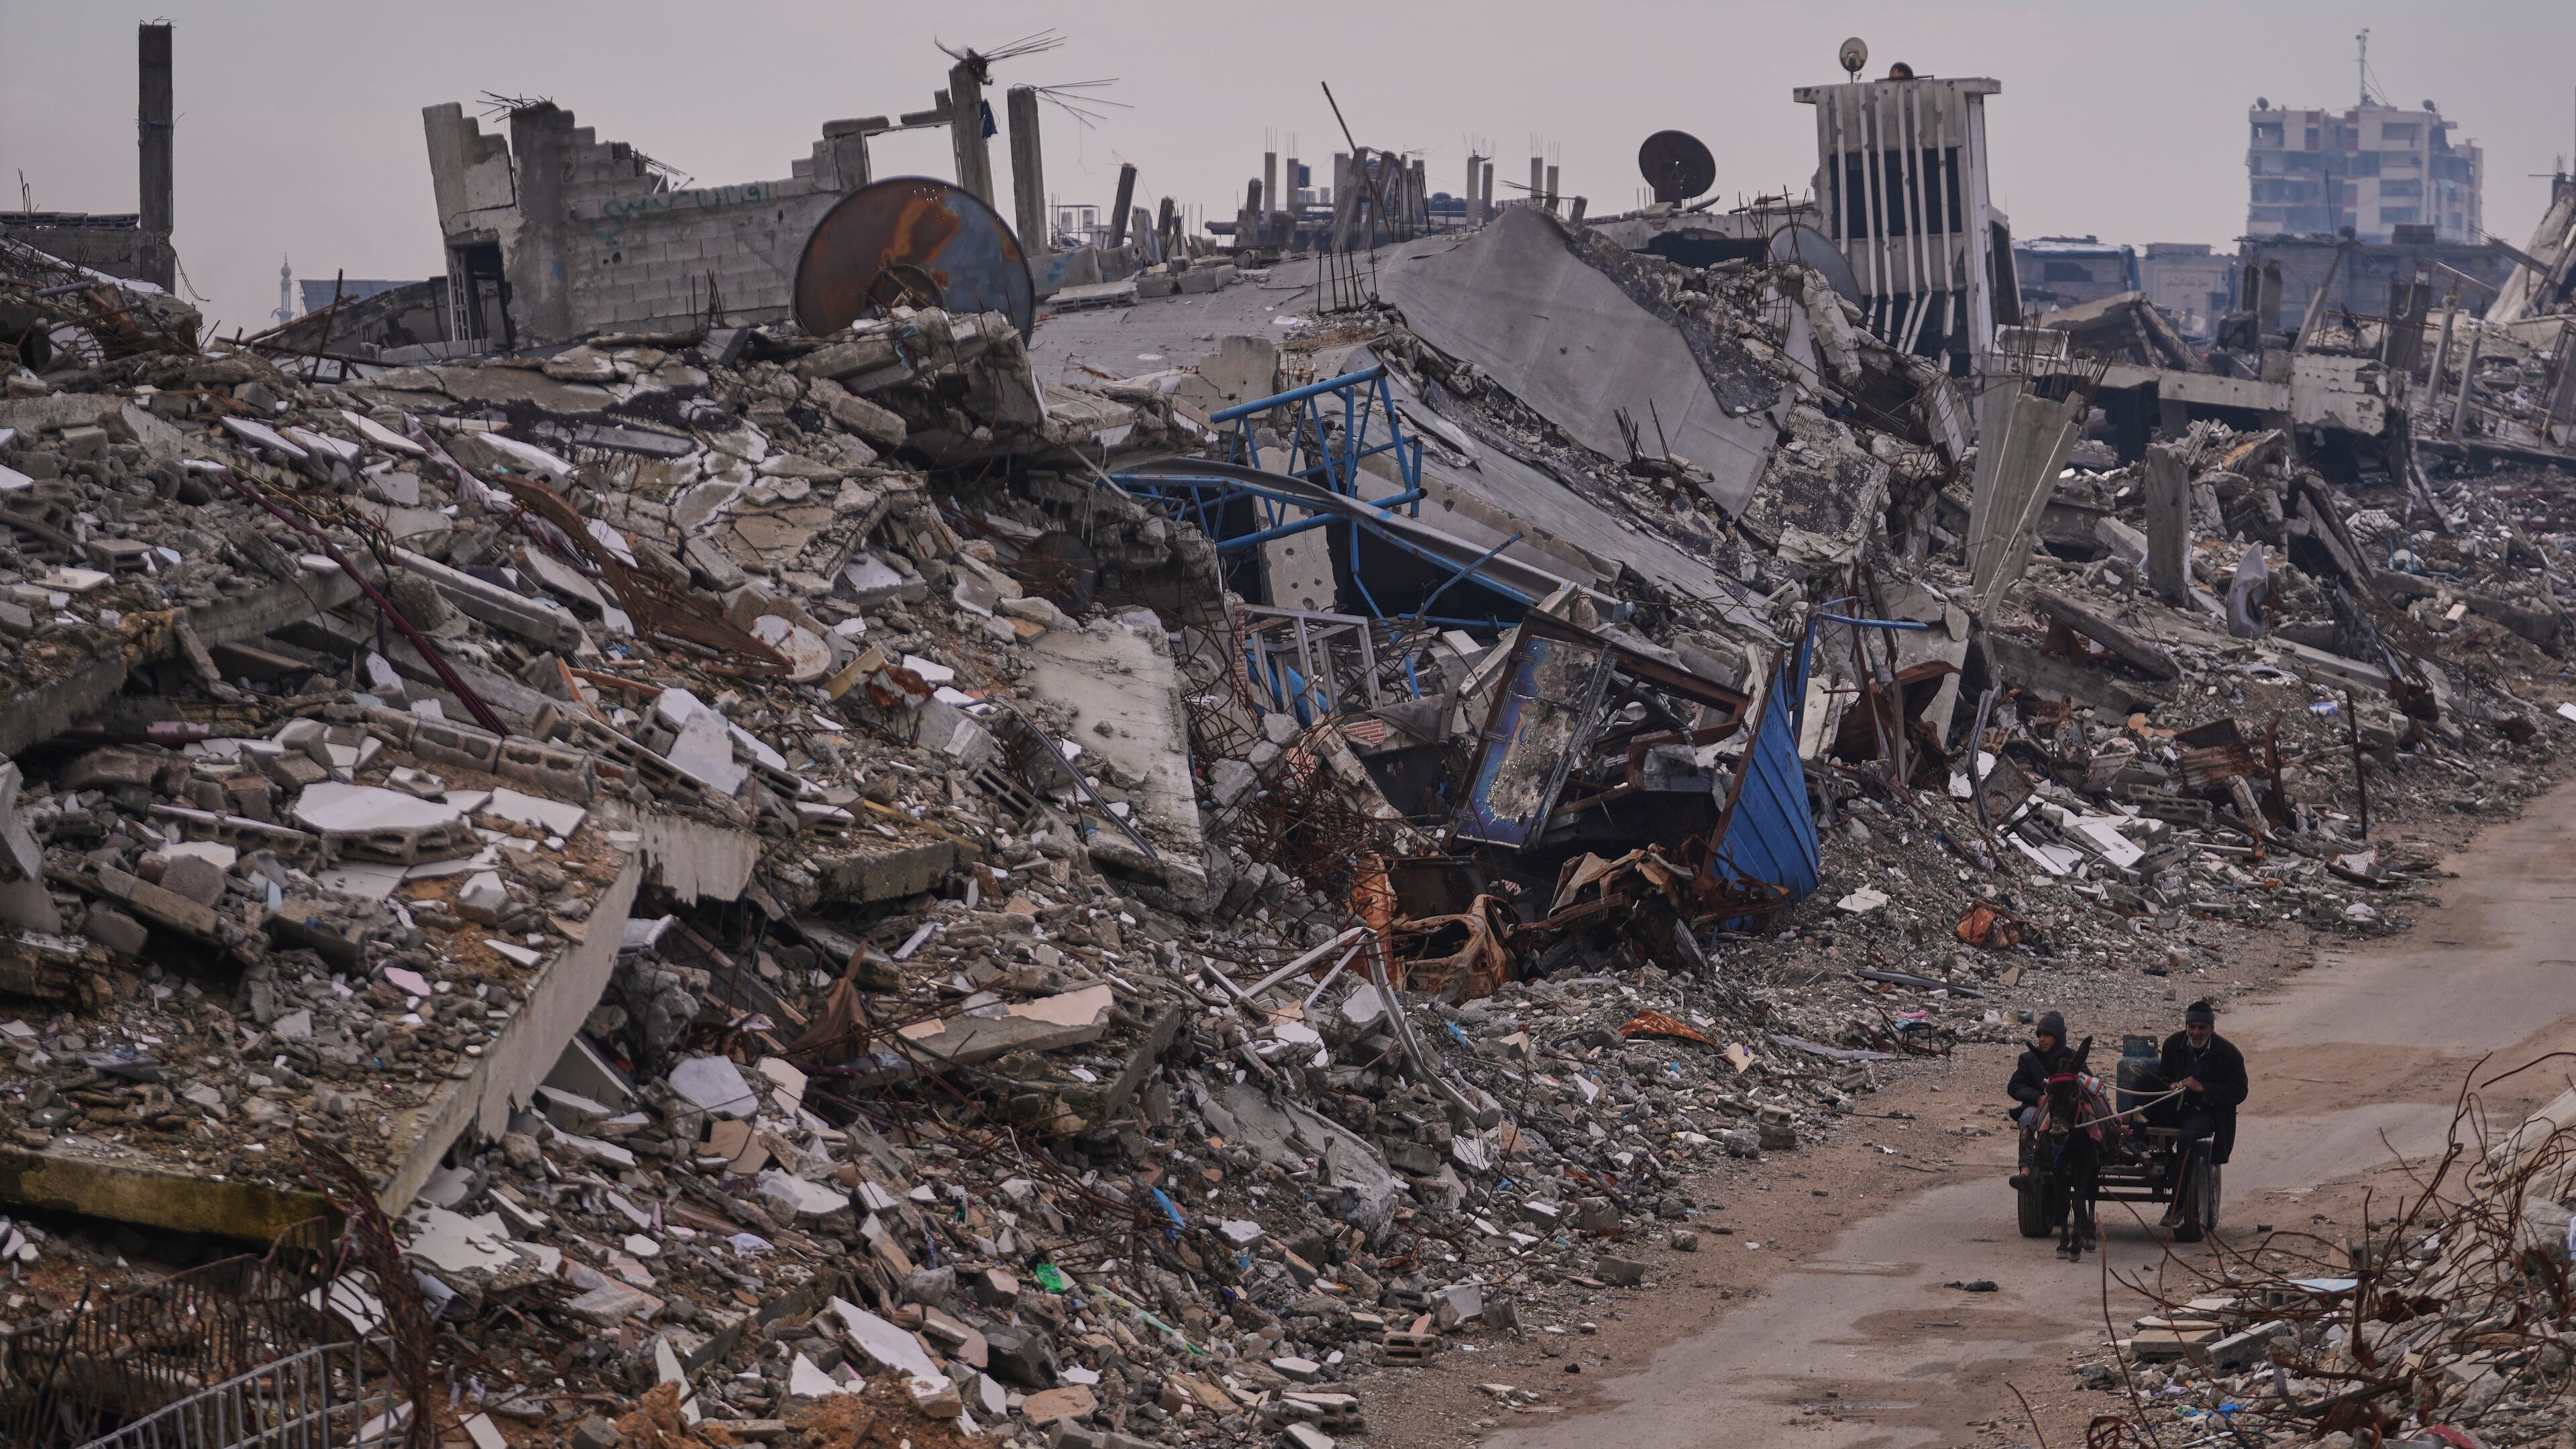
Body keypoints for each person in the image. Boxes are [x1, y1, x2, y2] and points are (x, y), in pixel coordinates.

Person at [2158, 1000, 2247, 1225]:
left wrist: (2203, 1088)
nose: (2196, 1032)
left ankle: (2177, 1205)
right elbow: (2162, 1076)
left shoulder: (2229, 1054)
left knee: (2187, 1138)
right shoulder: (2172, 1044)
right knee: (2137, 1118)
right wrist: (2171, 1085)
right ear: (2186, 1026)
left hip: (2206, 1112)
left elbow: (2239, 1091)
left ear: (2211, 1028)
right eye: (2192, 1027)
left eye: (2201, 1028)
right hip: (2174, 1106)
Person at [2006, 1012, 2075, 1179]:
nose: (2042, 1039)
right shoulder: (2029, 1059)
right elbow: (2014, 1086)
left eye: (2047, 1035)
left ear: (2058, 1037)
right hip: (2037, 1107)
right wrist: (2037, 1096)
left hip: (2064, 1109)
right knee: (2026, 1119)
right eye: (2040, 1035)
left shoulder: (2072, 1058)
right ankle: (2026, 1169)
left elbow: (2088, 1082)